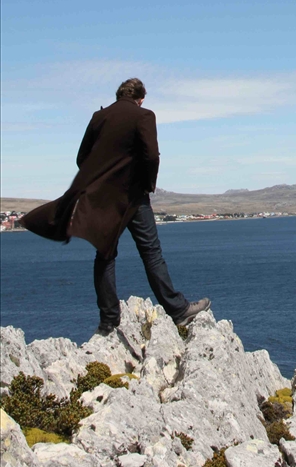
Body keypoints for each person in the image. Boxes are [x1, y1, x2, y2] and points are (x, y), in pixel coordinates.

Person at [21, 78, 209, 335]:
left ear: (119, 95)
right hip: (133, 196)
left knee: (105, 254)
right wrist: (147, 184)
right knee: (151, 253)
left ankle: (108, 321)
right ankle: (178, 310)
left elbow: (81, 158)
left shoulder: (98, 117)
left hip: (104, 199)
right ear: (140, 99)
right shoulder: (144, 115)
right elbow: (151, 156)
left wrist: (101, 181)